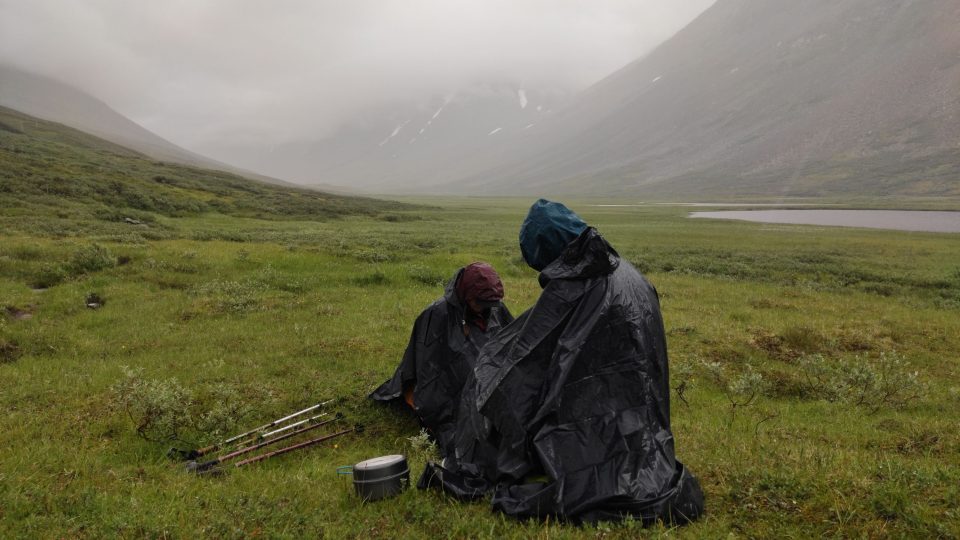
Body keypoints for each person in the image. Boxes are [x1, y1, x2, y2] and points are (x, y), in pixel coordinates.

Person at [422, 199, 705, 525]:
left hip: (601, 420)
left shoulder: (578, 285)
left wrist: (489, 382)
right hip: (644, 424)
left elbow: (531, 356)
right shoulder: (627, 273)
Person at [370, 262, 514, 457]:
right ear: (467, 295)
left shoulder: (494, 308)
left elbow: (512, 346)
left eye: (489, 305)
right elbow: (429, 372)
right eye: (479, 304)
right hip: (453, 386)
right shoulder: (437, 315)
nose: (483, 310)